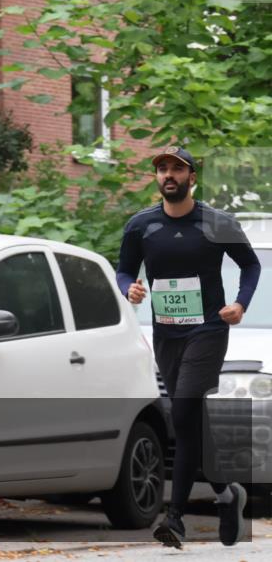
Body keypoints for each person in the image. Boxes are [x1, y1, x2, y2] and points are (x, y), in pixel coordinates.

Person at [116, 146, 261, 549]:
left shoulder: (217, 223)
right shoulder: (141, 226)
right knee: (189, 421)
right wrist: (127, 286)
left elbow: (251, 265)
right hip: (167, 333)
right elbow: (125, 267)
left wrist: (240, 303)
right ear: (156, 178)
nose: (168, 175)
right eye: (162, 169)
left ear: (192, 177)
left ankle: (174, 518)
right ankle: (227, 494)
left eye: (176, 169)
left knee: (181, 409)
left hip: (209, 330)